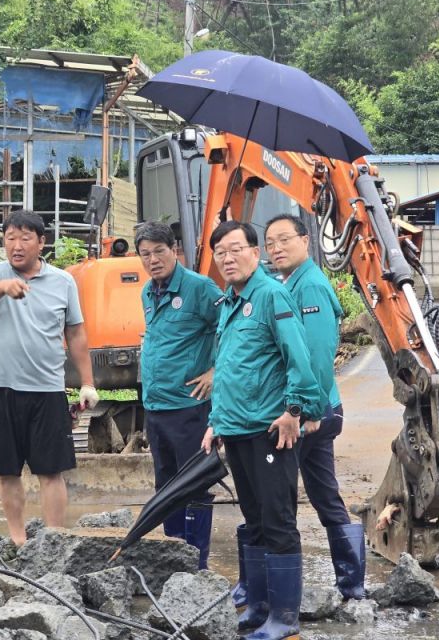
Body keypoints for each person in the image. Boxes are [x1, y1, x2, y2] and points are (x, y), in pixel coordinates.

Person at [201, 220, 323, 640]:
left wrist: (294, 410)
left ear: (255, 253)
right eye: (220, 252)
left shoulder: (271, 295)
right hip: (236, 430)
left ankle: (285, 619)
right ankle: (258, 606)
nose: (227, 258)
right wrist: (216, 422)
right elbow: (229, 369)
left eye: (236, 249)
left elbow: (299, 359)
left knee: (277, 521)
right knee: (253, 520)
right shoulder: (229, 302)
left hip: (269, 431)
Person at [0, 209, 98, 546]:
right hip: (2, 388)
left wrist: (87, 383)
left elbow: (76, 333)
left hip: (47, 389)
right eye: (10, 238)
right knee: (7, 470)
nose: (16, 246)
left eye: (25, 238)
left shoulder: (63, 282)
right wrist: (5, 287)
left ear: (41, 242)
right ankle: (18, 541)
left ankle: (53, 540)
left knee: (51, 470)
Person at [264, 213, 366, 600]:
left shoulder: (309, 286)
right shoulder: (290, 282)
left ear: (305, 241)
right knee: (324, 494)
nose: (276, 248)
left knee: (280, 496)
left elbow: (320, 354)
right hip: (315, 409)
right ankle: (352, 587)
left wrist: (306, 412)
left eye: (284, 240)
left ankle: (283, 588)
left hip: (312, 412)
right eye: (270, 243)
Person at [136, 221, 223, 569]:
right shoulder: (148, 291)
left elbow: (231, 326)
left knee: (195, 484)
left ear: (174, 250)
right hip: (156, 406)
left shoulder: (200, 288)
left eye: (159, 251)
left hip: (189, 406)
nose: (153, 260)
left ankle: (196, 563)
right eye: (146, 254)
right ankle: (173, 559)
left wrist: (216, 371)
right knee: (166, 485)